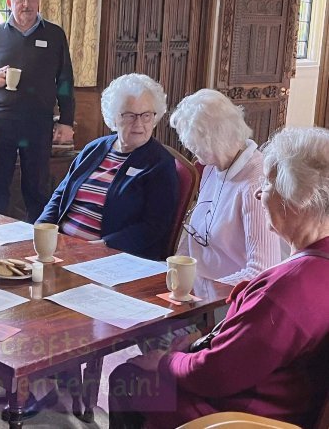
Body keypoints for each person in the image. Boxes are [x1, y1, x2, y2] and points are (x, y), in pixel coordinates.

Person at [108, 126, 329, 428]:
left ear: (299, 197)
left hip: (244, 416)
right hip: (283, 400)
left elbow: (215, 375)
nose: (259, 193)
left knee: (130, 377)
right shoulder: (314, 266)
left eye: (268, 183)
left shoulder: (290, 288)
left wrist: (165, 361)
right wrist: (201, 341)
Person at [37, 73, 179, 260]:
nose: (139, 124)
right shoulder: (94, 148)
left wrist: (99, 247)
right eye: (129, 115)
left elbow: (153, 227)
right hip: (61, 247)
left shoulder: (160, 164)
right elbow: (61, 194)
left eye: (146, 115)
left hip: (110, 258)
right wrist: (42, 228)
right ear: (114, 118)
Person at [0, 0, 75, 223]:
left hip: (38, 123)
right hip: (0, 122)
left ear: (38, 0)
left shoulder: (54, 35)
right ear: (9, 2)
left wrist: (66, 121)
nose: (26, 4)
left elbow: (65, 79)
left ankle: (38, 239)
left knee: (37, 188)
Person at [171, 89, 281, 286]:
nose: (188, 148)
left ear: (213, 140)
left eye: (192, 143)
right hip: (197, 288)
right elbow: (195, 237)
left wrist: (207, 293)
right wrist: (174, 272)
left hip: (229, 297)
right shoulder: (211, 168)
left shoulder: (255, 184)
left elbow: (262, 271)